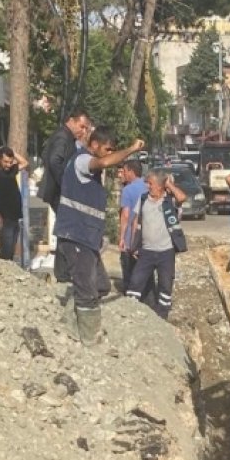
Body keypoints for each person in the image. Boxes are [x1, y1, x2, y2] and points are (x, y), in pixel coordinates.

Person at [54, 128, 145, 343]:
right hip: (76, 234)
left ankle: (70, 319)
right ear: (94, 145)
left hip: (87, 238)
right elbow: (103, 163)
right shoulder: (83, 161)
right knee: (86, 288)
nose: (110, 153)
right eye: (107, 149)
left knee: (102, 285)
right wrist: (131, 149)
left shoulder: (90, 169)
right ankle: (88, 337)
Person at [127, 169, 188, 319]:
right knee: (136, 281)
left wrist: (169, 184)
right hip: (146, 251)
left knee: (165, 285)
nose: (148, 186)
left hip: (166, 252)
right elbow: (136, 222)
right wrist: (134, 244)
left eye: (151, 183)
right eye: (147, 183)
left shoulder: (169, 201)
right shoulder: (143, 199)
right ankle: (130, 312)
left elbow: (182, 197)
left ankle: (162, 316)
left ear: (160, 186)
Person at [40, 110, 92, 282]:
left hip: (58, 191)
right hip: (59, 192)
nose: (83, 131)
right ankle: (63, 273)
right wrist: (66, 185)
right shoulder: (63, 136)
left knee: (66, 230)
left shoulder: (66, 137)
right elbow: (54, 160)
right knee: (68, 231)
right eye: (81, 126)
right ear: (71, 121)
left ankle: (63, 272)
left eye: (86, 128)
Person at [0, 146, 28, 261]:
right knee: (6, 253)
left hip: (14, 217)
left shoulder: (11, 171)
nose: (8, 165)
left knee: (11, 252)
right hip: (4, 218)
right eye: (5, 162)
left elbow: (24, 162)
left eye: (10, 162)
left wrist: (12, 151)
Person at [117, 160, 154, 298]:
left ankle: (131, 299)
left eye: (125, 171)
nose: (123, 174)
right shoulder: (148, 188)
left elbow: (126, 215)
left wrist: (122, 238)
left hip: (130, 240)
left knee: (129, 273)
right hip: (147, 239)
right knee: (146, 273)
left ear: (131, 172)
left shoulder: (128, 190)